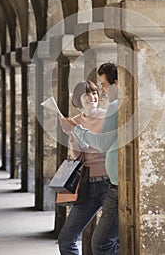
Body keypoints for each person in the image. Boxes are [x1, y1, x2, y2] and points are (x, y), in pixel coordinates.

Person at [60, 63, 119, 255]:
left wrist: (82, 135)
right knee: (66, 239)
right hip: (88, 185)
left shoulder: (109, 114)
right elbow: (75, 157)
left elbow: (106, 145)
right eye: (87, 94)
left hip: (108, 182)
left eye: (95, 93)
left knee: (108, 240)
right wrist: (72, 137)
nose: (93, 97)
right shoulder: (75, 121)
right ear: (78, 100)